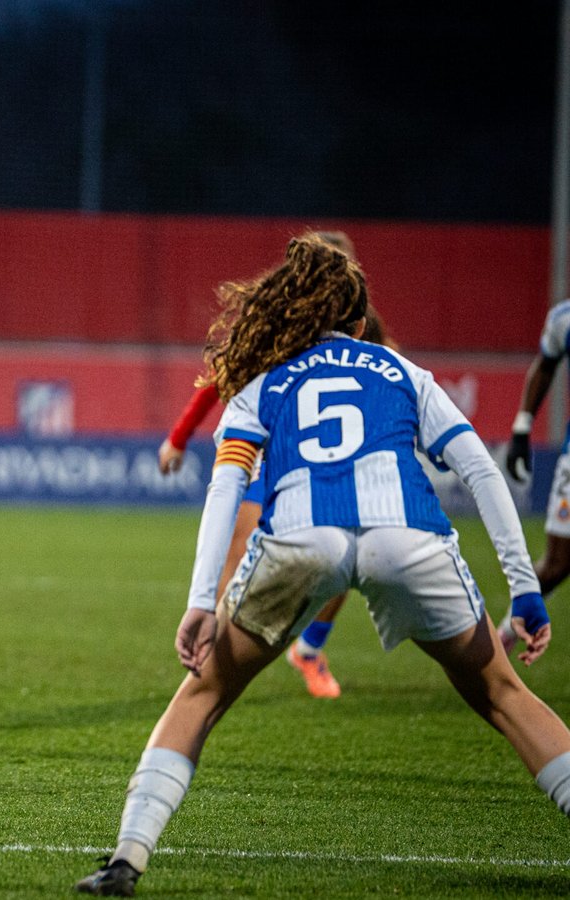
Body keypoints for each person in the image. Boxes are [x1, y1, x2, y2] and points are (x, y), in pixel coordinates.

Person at [76, 236, 567, 896]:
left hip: (302, 537)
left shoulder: (265, 382)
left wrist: (199, 602)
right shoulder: (402, 371)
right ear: (360, 324)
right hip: (407, 536)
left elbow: (226, 488)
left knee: (204, 693)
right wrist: (525, 589)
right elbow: (479, 468)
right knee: (504, 695)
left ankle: (126, 861)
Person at [157, 232, 390, 699]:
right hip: (267, 455)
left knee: (349, 556)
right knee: (234, 559)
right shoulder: (274, 319)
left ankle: (310, 649)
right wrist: (178, 438)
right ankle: (211, 665)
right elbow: (222, 376)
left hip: (325, 463)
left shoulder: (366, 326)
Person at [504, 292, 570, 655]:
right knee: (557, 563)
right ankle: (502, 637)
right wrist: (521, 428)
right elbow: (546, 365)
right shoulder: (564, 319)